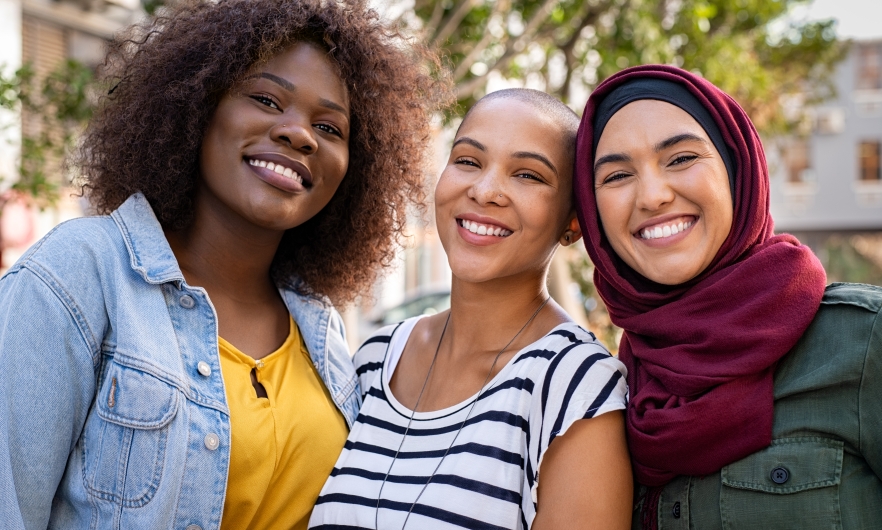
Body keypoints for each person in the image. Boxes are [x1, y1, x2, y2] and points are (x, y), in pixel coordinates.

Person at [0, 1, 450, 528]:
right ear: (197, 105)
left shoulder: (318, 325)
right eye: (265, 99)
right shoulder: (79, 276)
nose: (299, 133)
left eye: (330, 128)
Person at [574, 64, 882, 529]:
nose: (653, 195)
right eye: (617, 176)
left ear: (738, 170)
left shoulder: (863, 343)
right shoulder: (605, 392)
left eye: (680, 158)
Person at [309, 88, 632, 530]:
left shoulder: (576, 386)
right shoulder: (376, 356)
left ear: (573, 222)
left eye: (528, 175)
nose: (484, 191)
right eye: (468, 161)